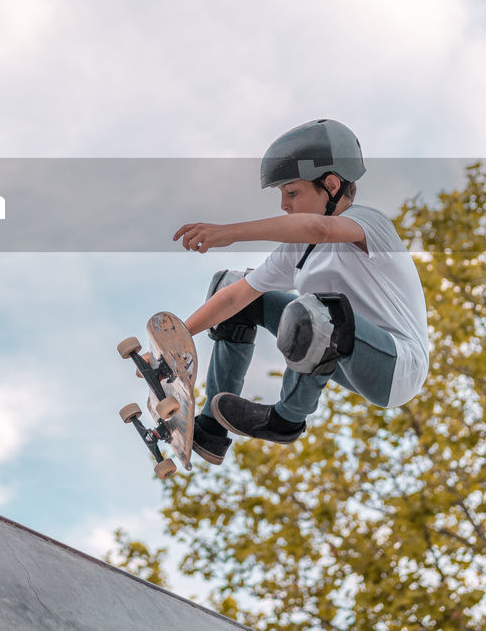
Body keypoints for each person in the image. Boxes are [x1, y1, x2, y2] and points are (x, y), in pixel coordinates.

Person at [172, 119, 430, 465]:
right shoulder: (298, 252)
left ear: (332, 185)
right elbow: (235, 298)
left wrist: (230, 232)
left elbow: (320, 227)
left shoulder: (370, 224)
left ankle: (286, 419)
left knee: (316, 311)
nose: (284, 205)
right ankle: (211, 429)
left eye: (292, 193)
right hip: (337, 353)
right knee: (233, 284)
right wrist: (175, 339)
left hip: (397, 366)